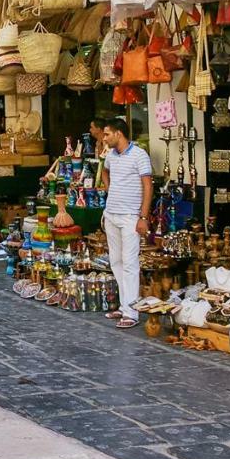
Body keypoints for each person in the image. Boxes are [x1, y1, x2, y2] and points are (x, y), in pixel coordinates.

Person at [99, 118, 153, 329]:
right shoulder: (111, 155)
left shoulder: (140, 155)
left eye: (107, 134)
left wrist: (143, 217)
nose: (104, 138)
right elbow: (104, 170)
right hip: (111, 214)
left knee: (130, 263)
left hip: (131, 216)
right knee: (116, 261)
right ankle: (124, 306)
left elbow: (147, 186)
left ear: (118, 134)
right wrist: (110, 189)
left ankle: (131, 311)